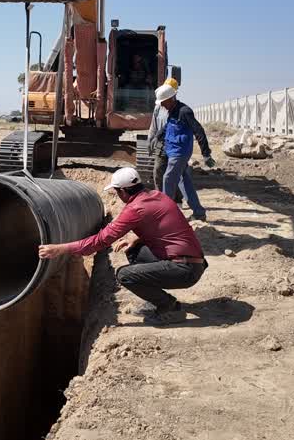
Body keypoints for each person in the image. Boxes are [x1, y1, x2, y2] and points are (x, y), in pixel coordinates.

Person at [38, 167, 206, 324]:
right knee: (134, 251)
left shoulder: (135, 209)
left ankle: (169, 307)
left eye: (116, 191)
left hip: (185, 270)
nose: (117, 195)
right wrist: (136, 239)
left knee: (125, 275)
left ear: (123, 191)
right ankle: (155, 298)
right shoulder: (156, 196)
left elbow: (100, 241)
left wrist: (60, 249)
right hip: (192, 261)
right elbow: (168, 230)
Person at [156, 83, 213, 221]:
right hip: (173, 151)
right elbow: (170, 127)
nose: (162, 105)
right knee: (183, 181)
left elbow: (199, 131)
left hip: (180, 153)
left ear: (171, 99)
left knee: (168, 179)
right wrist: (158, 135)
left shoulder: (184, 111)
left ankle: (165, 215)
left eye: (163, 102)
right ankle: (199, 213)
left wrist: (205, 153)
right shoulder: (172, 111)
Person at [147, 77, 183, 205]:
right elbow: (154, 125)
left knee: (174, 175)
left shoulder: (178, 109)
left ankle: (177, 200)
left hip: (174, 144)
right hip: (161, 142)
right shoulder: (158, 107)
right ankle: (160, 201)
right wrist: (150, 140)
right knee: (158, 171)